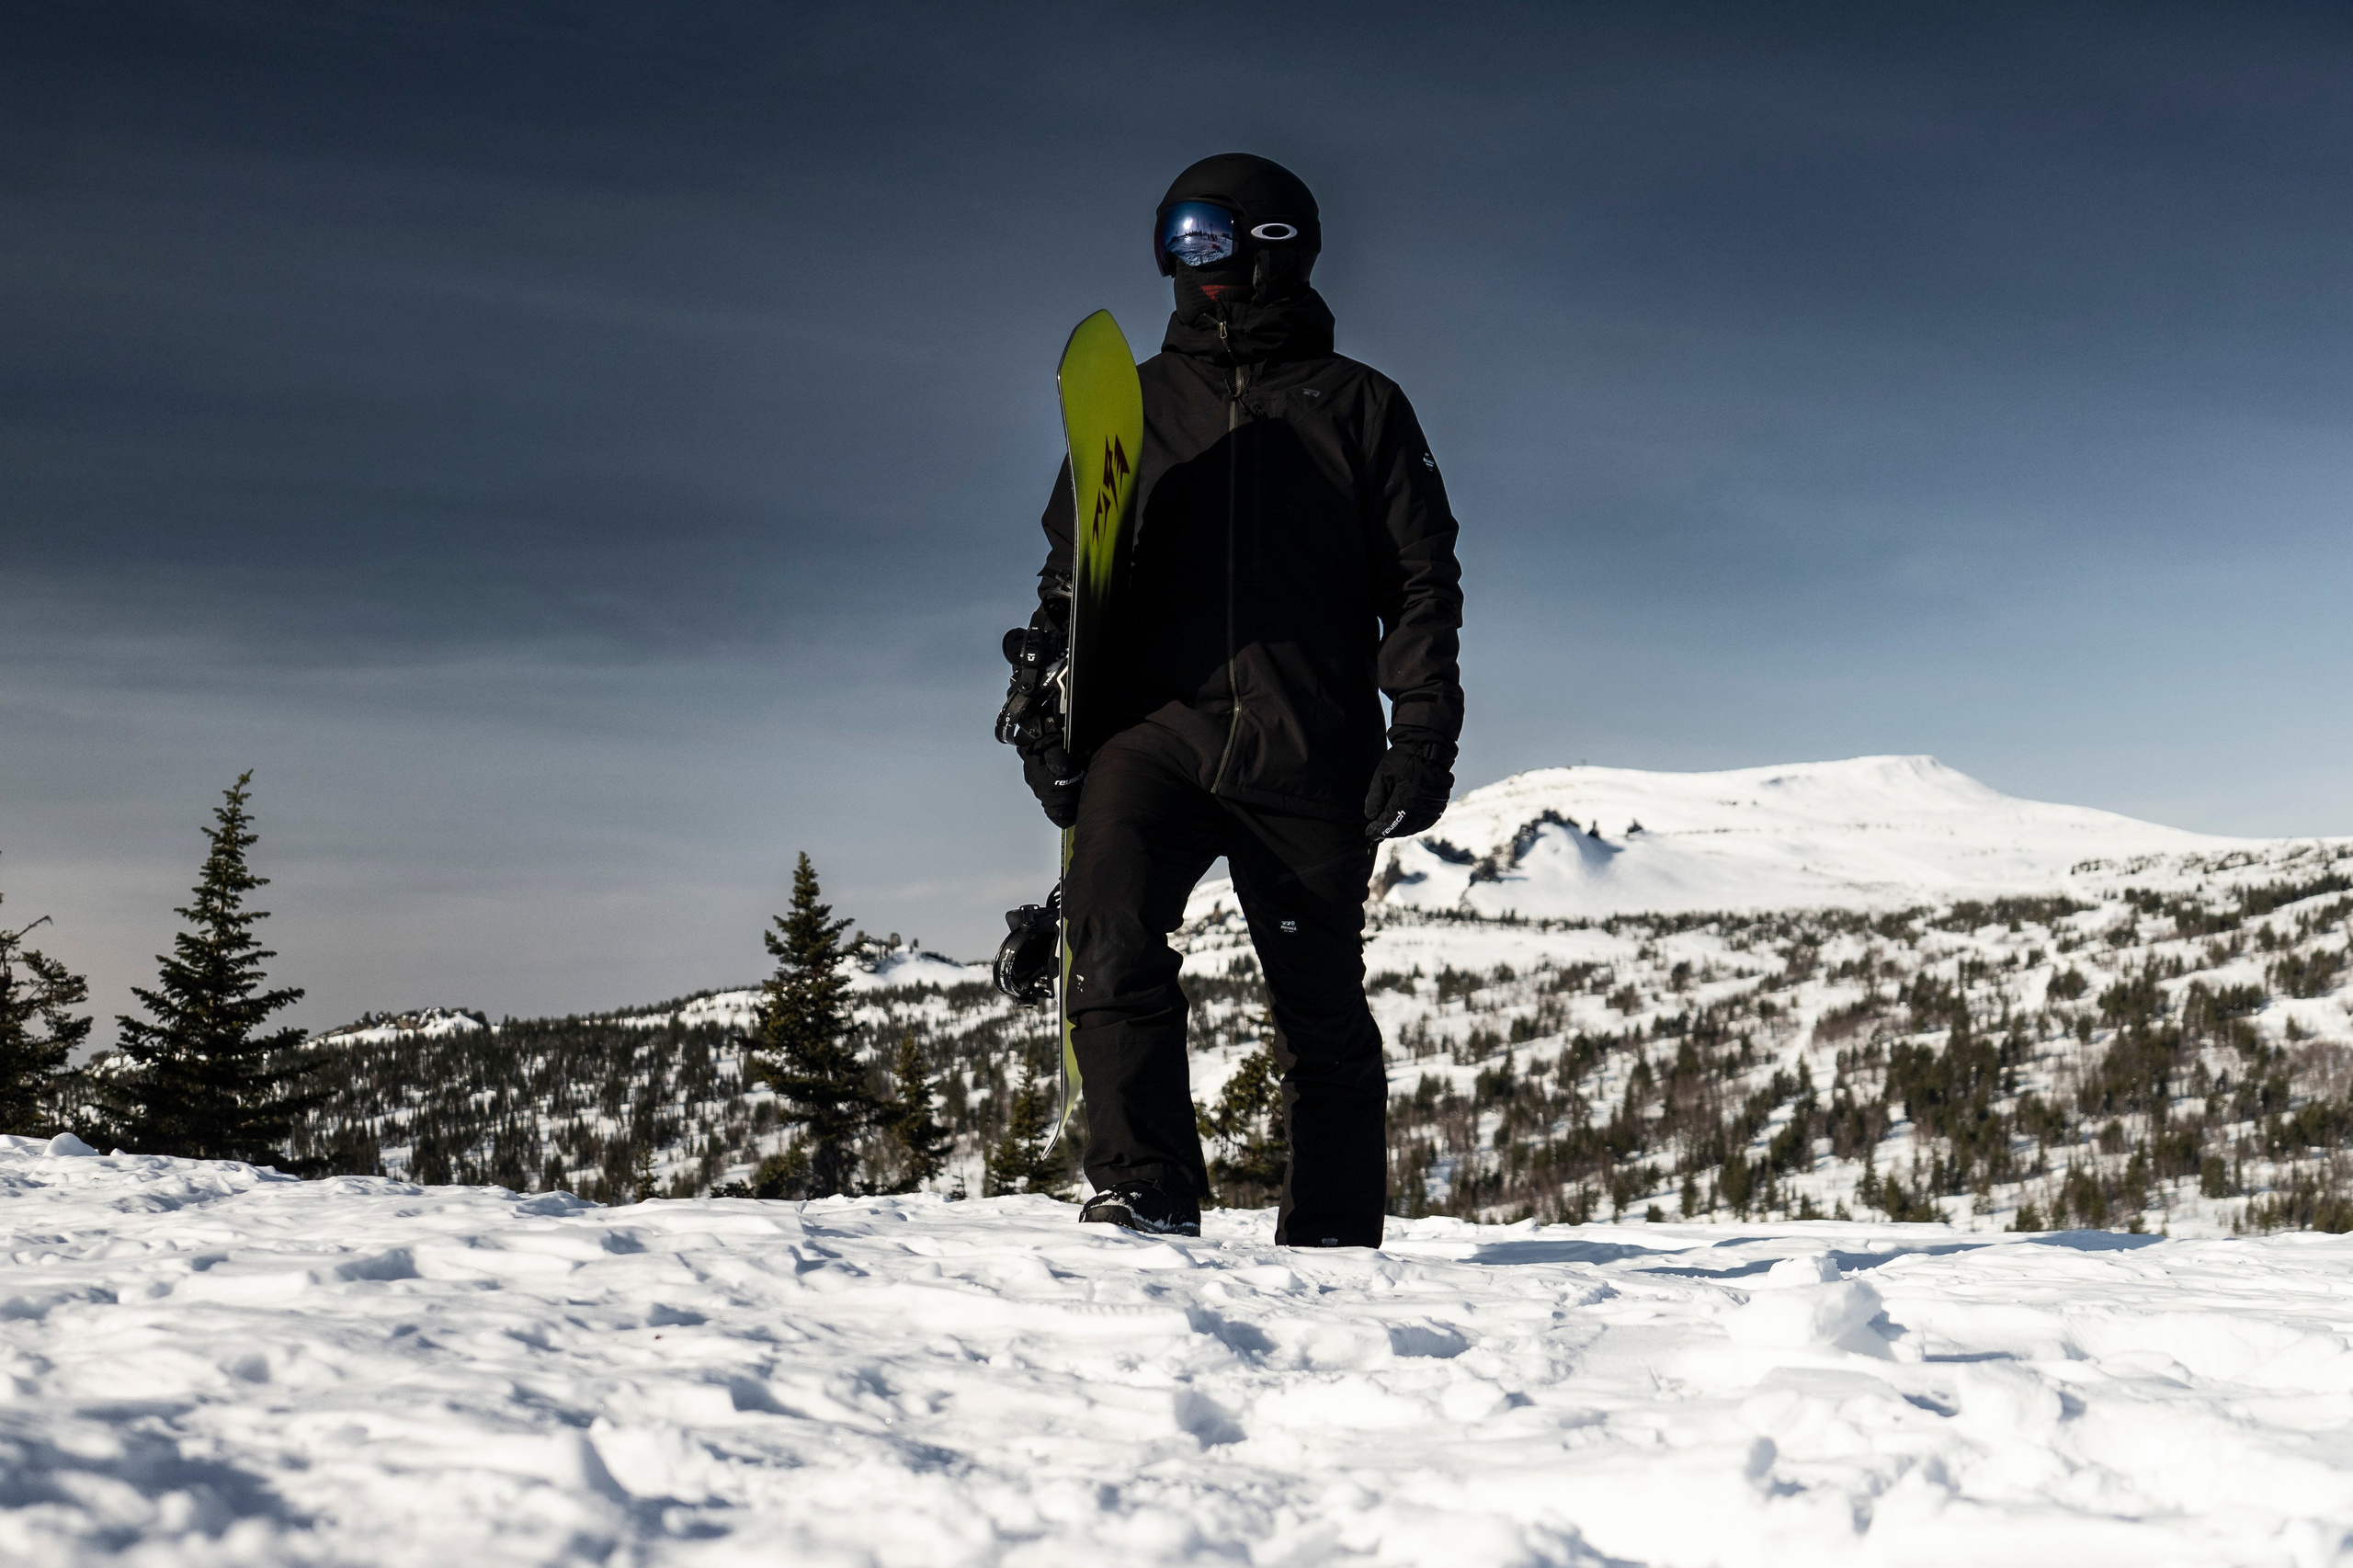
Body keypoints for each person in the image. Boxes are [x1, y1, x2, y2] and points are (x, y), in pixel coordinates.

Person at [1002, 153, 1463, 1246]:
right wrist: (1044, 712)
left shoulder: (1361, 406)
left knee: (1319, 1006)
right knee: (1109, 931)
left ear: (1274, 244)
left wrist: (1421, 736)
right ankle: (1146, 1184)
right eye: (1173, 239)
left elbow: (1421, 581)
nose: (1186, 263)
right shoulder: (1135, 407)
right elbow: (1069, 580)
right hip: (1152, 734)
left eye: (1206, 236)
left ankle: (1335, 1238)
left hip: (1311, 743)